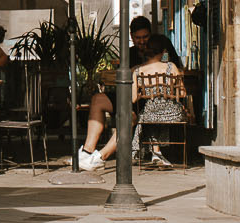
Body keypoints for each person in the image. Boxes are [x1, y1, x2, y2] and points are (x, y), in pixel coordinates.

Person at [78, 18, 183, 171]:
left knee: (127, 114)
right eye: (137, 38)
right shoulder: (130, 53)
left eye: (145, 37)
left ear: (151, 35)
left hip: (152, 103)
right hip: (130, 97)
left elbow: (173, 70)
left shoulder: (162, 46)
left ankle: (101, 157)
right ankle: (87, 152)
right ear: (132, 37)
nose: (141, 42)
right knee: (98, 100)